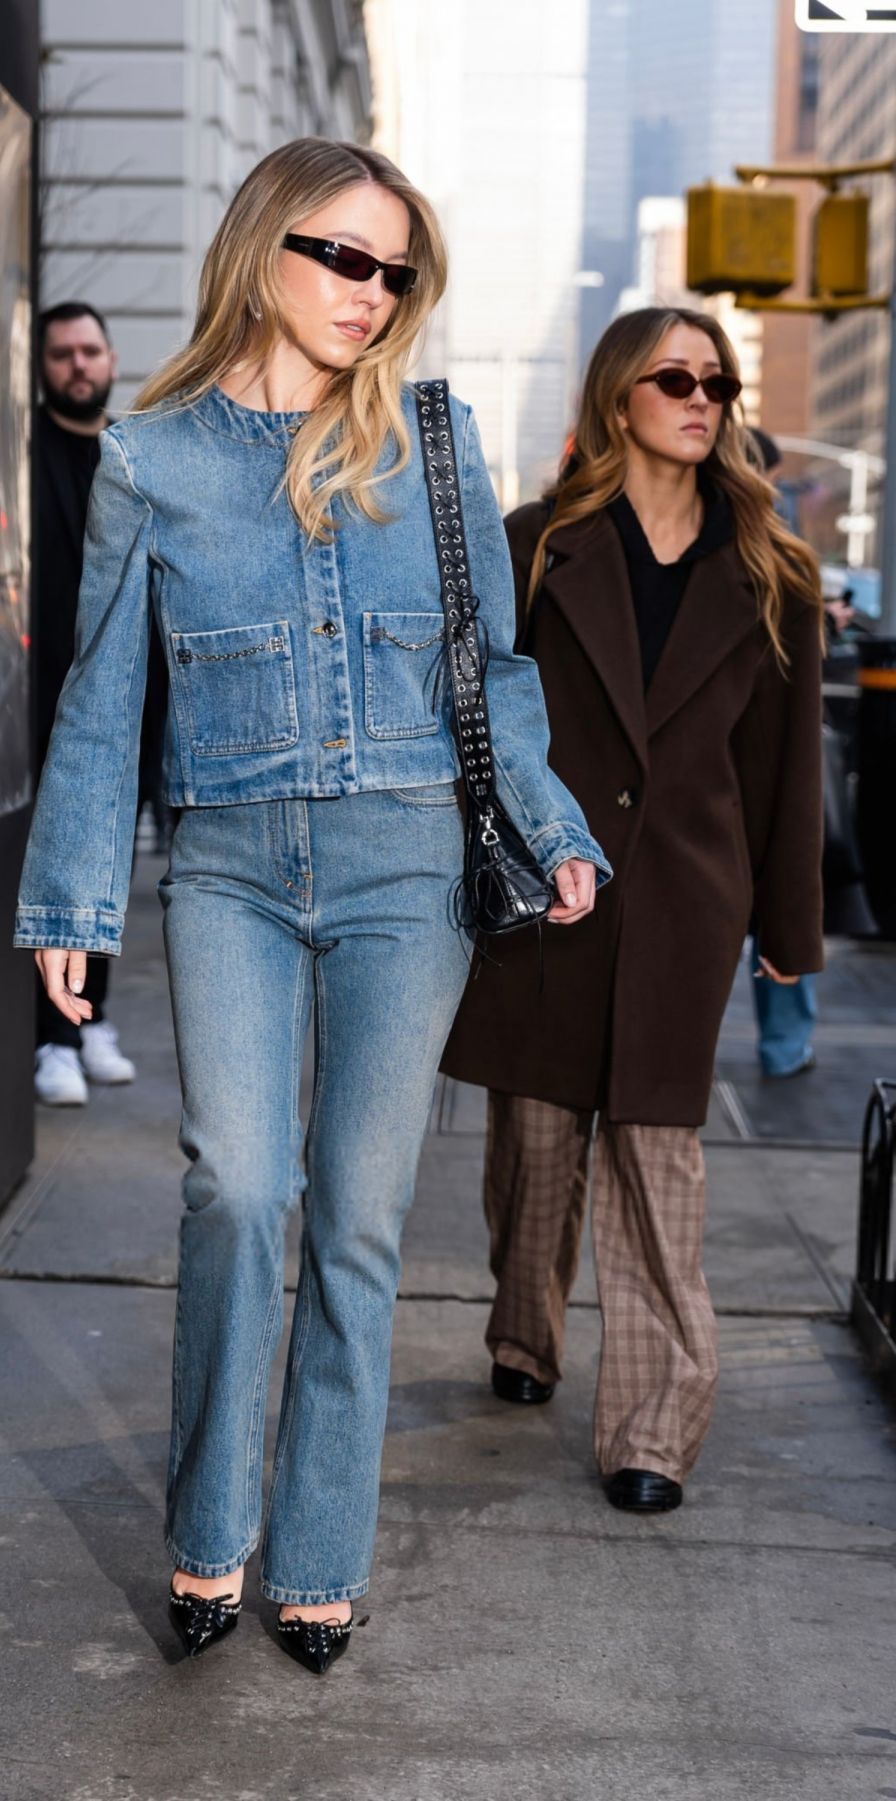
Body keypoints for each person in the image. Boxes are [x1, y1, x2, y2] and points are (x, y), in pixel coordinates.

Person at [14, 138, 607, 1671]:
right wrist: (70, 899)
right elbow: (100, 703)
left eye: (393, 268)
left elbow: (498, 677)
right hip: (226, 866)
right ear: (264, 248)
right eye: (342, 255)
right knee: (238, 1186)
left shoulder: (432, 437)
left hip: (407, 866)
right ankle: (211, 1529)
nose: (370, 290)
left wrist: (547, 824)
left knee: (355, 1215)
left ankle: (319, 1551)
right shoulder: (154, 455)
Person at [442, 307, 824, 1514]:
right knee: (535, 1150)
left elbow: (784, 769)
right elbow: (482, 732)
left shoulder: (770, 571)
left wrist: (788, 936)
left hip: (684, 913)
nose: (701, 397)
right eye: (676, 377)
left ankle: (654, 1428)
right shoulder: (537, 549)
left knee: (661, 1166)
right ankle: (525, 1329)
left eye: (717, 380)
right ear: (621, 398)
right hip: (551, 903)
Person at [33, 302, 136, 1103]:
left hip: (119, 691)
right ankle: (53, 1035)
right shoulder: (20, 454)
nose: (77, 364)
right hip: (33, 695)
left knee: (108, 859)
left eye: (89, 350)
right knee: (57, 859)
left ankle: (92, 1020)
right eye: (63, 352)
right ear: (43, 365)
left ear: (109, 359)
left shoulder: (129, 456)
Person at [746, 427, 817, 1078]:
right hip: (750, 797)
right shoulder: (777, 555)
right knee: (782, 923)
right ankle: (784, 1048)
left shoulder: (780, 561)